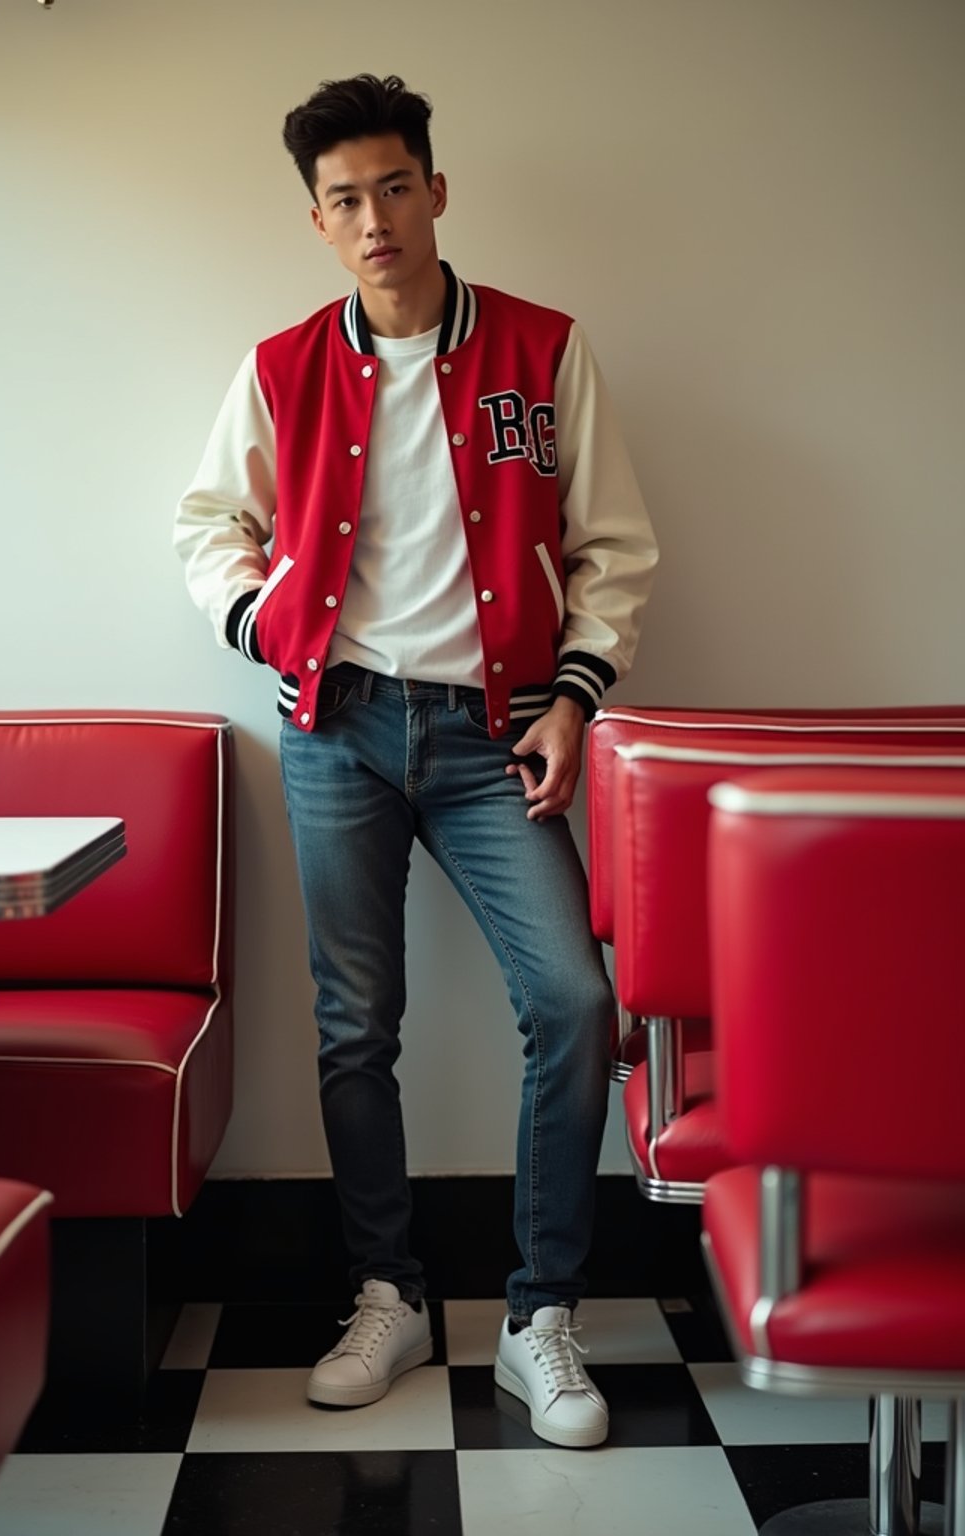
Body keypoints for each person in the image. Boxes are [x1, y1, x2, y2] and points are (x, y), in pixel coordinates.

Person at [174, 73, 658, 1450]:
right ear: (317, 221)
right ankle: (384, 1290)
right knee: (353, 1027)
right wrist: (256, 617)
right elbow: (210, 523)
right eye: (344, 199)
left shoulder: (543, 349)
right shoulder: (279, 366)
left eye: (395, 186)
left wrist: (574, 697)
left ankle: (539, 1316)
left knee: (571, 1002)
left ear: (436, 191)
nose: (374, 218)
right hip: (336, 727)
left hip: (493, 729)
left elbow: (614, 547)